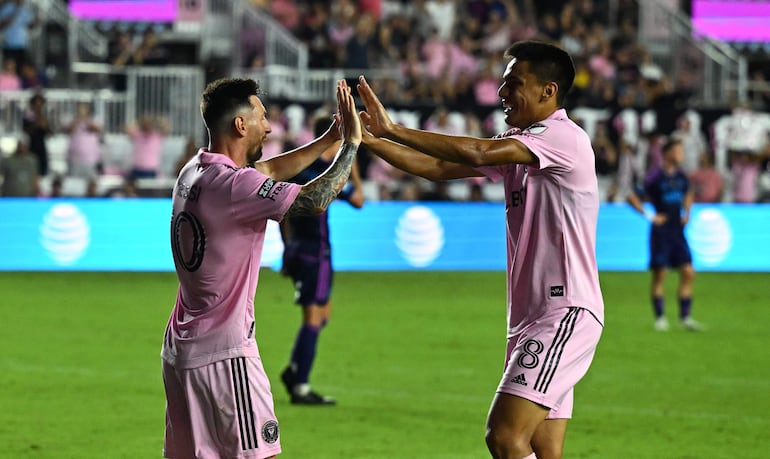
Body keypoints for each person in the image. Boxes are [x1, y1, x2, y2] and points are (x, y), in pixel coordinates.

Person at [357, 40, 604, 459]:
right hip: (532, 318)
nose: (502, 94)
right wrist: (366, 140)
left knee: (504, 437)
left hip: (563, 313)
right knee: (543, 449)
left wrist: (393, 128)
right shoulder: (522, 142)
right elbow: (437, 168)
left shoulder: (563, 138)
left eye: (514, 84)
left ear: (549, 91)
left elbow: (478, 149)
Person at [161, 77, 361, 459]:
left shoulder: (193, 172)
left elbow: (268, 170)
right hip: (225, 353)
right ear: (241, 125)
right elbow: (315, 200)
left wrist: (325, 141)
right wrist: (351, 144)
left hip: (181, 351)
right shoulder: (235, 186)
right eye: (263, 117)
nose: (269, 127)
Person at [278, 115, 365, 405]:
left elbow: (282, 212)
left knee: (321, 315)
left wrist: (287, 247)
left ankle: (294, 370)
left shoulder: (300, 169)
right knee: (314, 318)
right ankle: (301, 386)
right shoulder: (326, 174)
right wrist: (350, 165)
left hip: (299, 249)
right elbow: (359, 200)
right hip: (316, 253)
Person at [627, 138, 702, 332]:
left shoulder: (681, 176)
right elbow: (632, 196)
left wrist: (687, 212)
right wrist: (650, 216)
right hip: (661, 232)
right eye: (678, 151)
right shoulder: (654, 176)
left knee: (688, 272)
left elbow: (689, 193)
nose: (681, 155)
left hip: (678, 232)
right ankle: (660, 318)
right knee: (660, 274)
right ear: (667, 153)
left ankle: (685, 318)